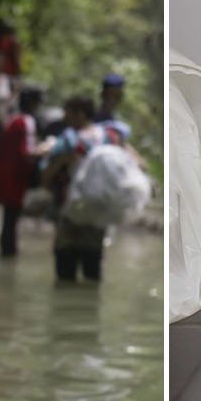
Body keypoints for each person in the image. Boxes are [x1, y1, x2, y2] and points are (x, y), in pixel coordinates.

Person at [43, 95, 125, 282]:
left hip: (70, 214)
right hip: (98, 216)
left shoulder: (68, 140)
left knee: (65, 275)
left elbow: (47, 178)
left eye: (68, 113)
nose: (64, 118)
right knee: (92, 273)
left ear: (80, 114)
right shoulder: (109, 137)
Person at [0, 86, 43, 257]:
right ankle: (9, 254)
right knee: (11, 219)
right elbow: (27, 152)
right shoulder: (26, 121)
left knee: (8, 218)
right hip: (15, 178)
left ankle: (7, 254)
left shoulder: (11, 119)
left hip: (3, 174)